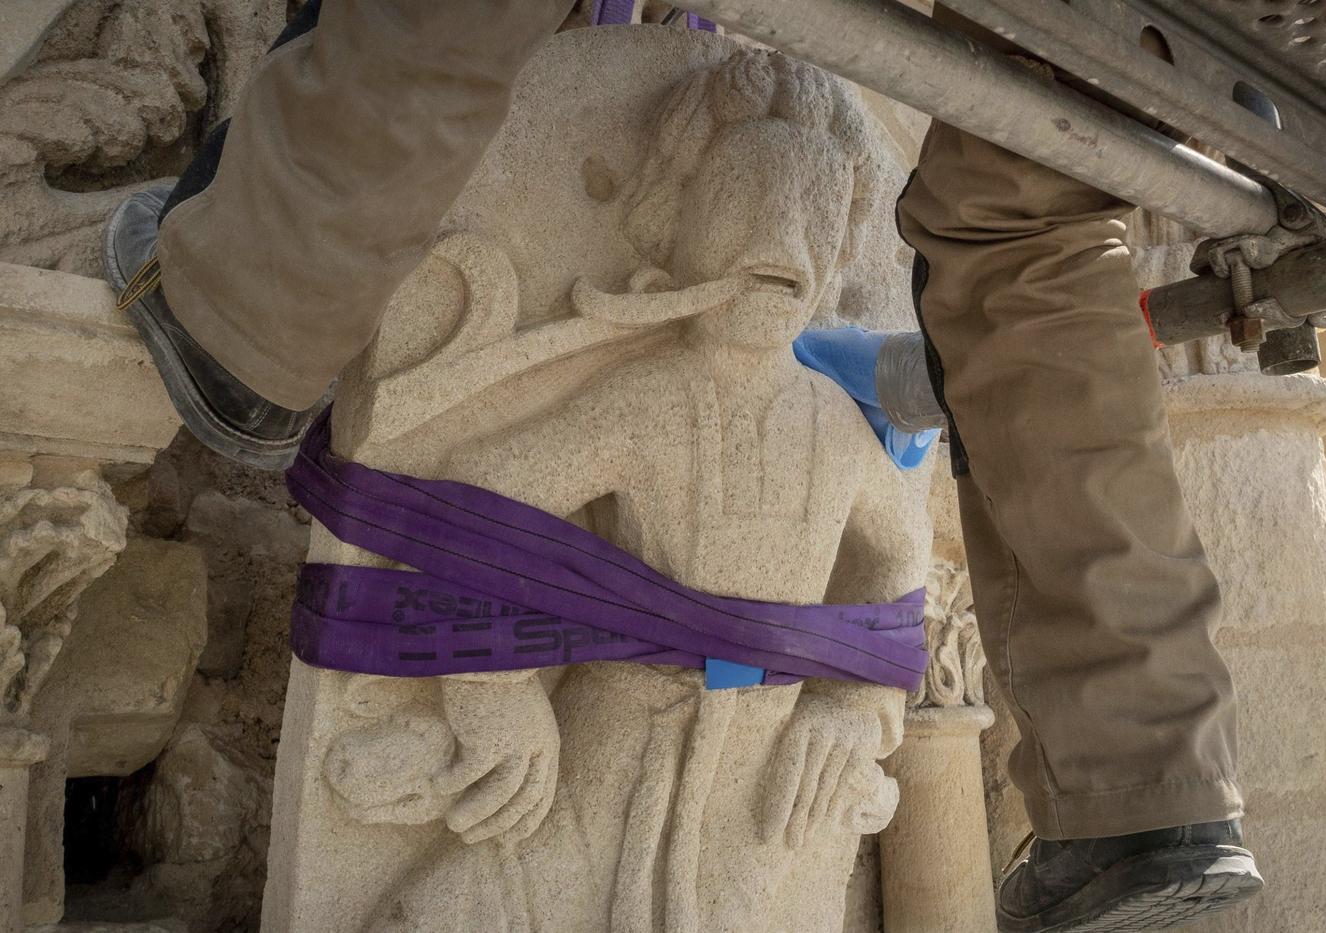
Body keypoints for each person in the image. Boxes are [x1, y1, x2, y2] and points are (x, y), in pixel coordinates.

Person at [103, 2, 1262, 930]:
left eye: (809, 226)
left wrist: (848, 719)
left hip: (762, 805)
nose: (787, 252)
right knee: (1036, 215)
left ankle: (252, 319)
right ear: (682, 228)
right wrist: (495, 697)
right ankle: (1142, 789)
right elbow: (461, 517)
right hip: (585, 778)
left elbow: (892, 601)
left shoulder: (831, 434)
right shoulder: (647, 401)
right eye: (749, 214)